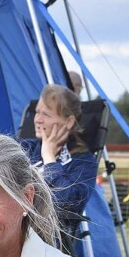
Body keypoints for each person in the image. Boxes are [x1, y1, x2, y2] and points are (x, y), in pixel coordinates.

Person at [21, 84, 97, 247]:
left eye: (46, 115)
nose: (37, 119)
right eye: (37, 112)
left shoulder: (83, 162)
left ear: (69, 122)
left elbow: (65, 203)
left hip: (48, 241)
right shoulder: (26, 148)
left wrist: (49, 159)